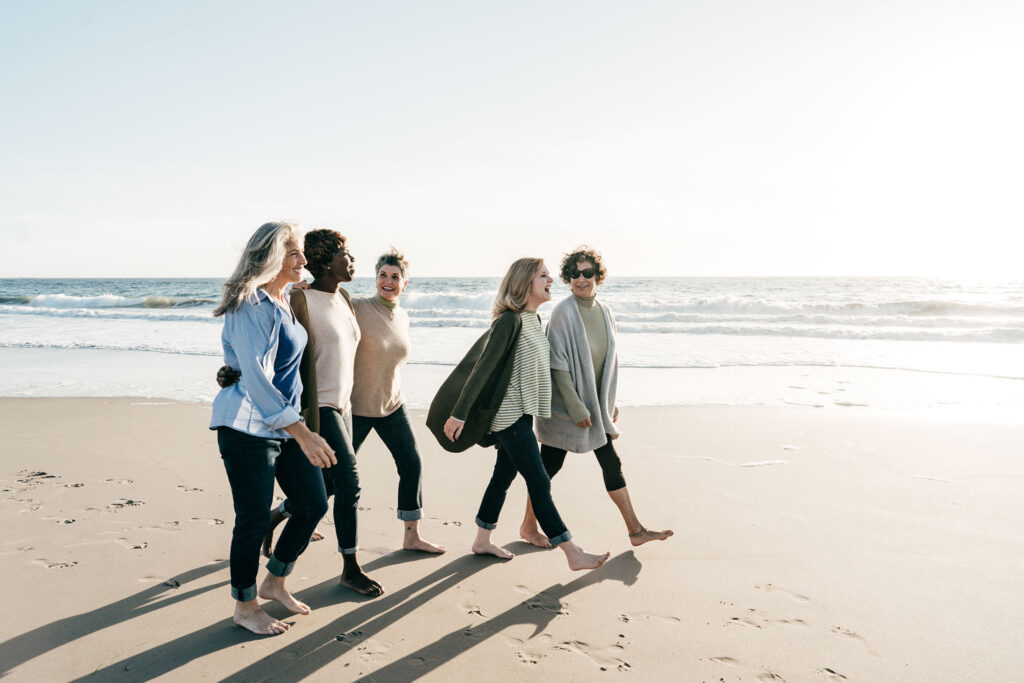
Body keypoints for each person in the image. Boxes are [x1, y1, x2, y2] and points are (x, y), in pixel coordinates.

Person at [437, 257, 610, 570]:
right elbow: (481, 370)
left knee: (502, 476)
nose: (551, 280)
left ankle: (482, 539)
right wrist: (459, 414)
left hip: (523, 415)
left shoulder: (534, 320)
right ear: (524, 283)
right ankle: (572, 552)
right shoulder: (509, 322)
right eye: (543, 276)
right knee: (540, 483)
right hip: (508, 418)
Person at [210, 221, 335, 636]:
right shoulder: (249, 304)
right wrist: (305, 433)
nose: (304, 259)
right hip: (247, 427)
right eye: (295, 252)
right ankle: (244, 607)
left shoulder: (284, 299)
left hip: (280, 427)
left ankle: (275, 580)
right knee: (250, 520)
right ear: (272, 257)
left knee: (313, 503)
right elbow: (259, 382)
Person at [525, 247, 673, 547]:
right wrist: (576, 407)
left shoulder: (605, 312)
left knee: (608, 462)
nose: (581, 279)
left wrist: (608, 403)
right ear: (568, 278)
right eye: (575, 273)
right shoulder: (563, 312)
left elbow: (606, 364)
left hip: (595, 407)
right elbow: (558, 364)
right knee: (548, 469)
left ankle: (635, 530)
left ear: (598, 276)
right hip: (566, 410)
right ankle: (529, 527)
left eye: (588, 272)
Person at [349, 248, 445, 554]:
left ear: (405, 283)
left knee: (411, 464)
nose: (387, 282)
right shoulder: (356, 307)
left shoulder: (402, 316)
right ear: (375, 278)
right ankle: (292, 517)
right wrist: (300, 290)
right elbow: (320, 304)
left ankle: (411, 536)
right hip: (357, 407)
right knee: (331, 474)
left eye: (394, 277)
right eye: (382, 276)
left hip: (392, 405)